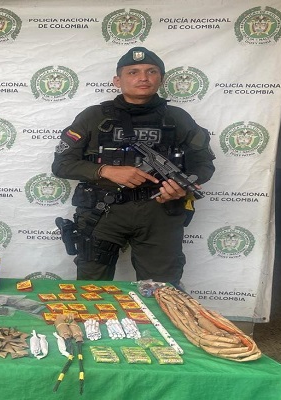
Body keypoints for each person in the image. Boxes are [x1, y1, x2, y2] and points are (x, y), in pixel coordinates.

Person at [52, 47, 215, 287]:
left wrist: (181, 187)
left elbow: (203, 164)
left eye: (151, 71)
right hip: (103, 212)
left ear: (161, 79)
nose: (143, 77)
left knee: (161, 289)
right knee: (92, 287)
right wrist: (105, 171)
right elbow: (62, 164)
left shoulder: (178, 119)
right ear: (117, 80)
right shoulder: (93, 117)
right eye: (133, 72)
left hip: (160, 213)